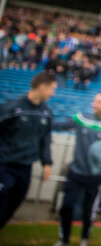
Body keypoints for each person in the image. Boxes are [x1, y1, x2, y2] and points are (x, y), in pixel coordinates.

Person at [53, 92, 101, 246]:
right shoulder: (81, 118)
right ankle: (64, 239)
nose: (95, 104)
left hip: (95, 175)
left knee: (88, 209)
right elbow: (59, 125)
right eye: (95, 101)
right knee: (67, 205)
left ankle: (84, 238)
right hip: (76, 172)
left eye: (100, 102)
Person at [0, 72, 56, 228]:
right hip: (5, 166)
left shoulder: (46, 112)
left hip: (26, 168)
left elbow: (45, 140)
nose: (53, 93)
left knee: (13, 205)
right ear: (42, 86)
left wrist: (47, 163)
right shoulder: (12, 108)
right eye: (52, 89)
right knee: (1, 203)